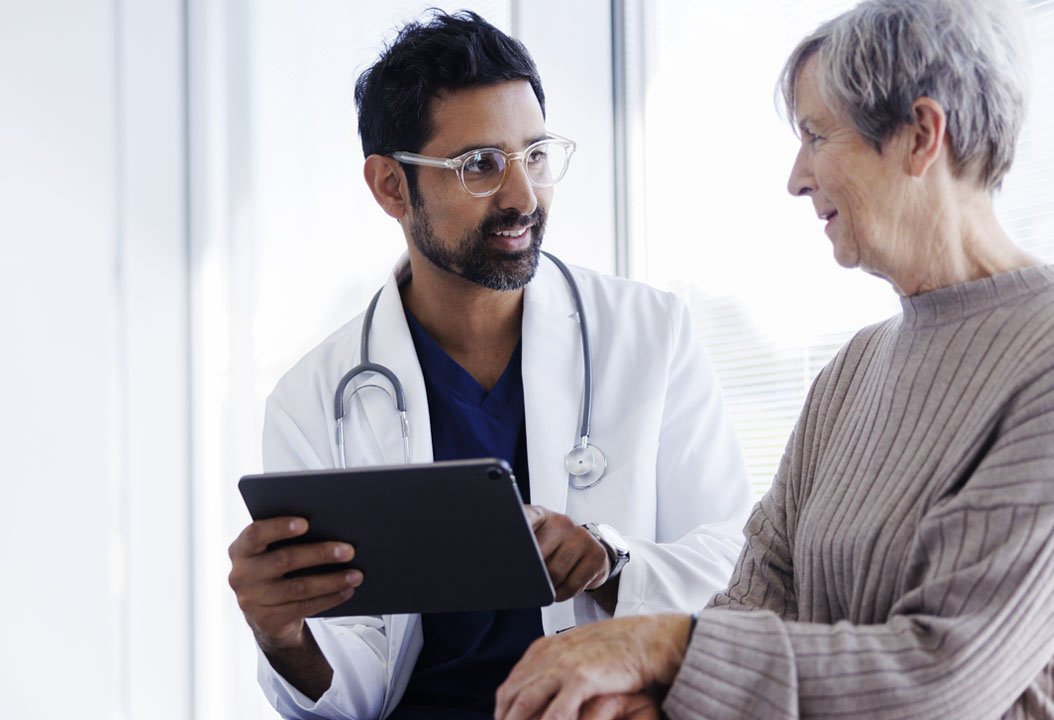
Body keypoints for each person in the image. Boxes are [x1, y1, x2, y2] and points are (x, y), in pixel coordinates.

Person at [494, 1, 1054, 718]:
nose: (797, 178)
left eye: (816, 135)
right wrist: (652, 702)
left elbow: (943, 674)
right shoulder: (854, 372)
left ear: (921, 135)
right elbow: (753, 605)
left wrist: (658, 647)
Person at [225, 10, 752, 720]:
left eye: (534, 155)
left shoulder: (650, 334)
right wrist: (281, 633)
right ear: (389, 186)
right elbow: (351, 686)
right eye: (479, 165)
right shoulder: (312, 399)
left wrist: (612, 561)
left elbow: (738, 568)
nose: (522, 197)